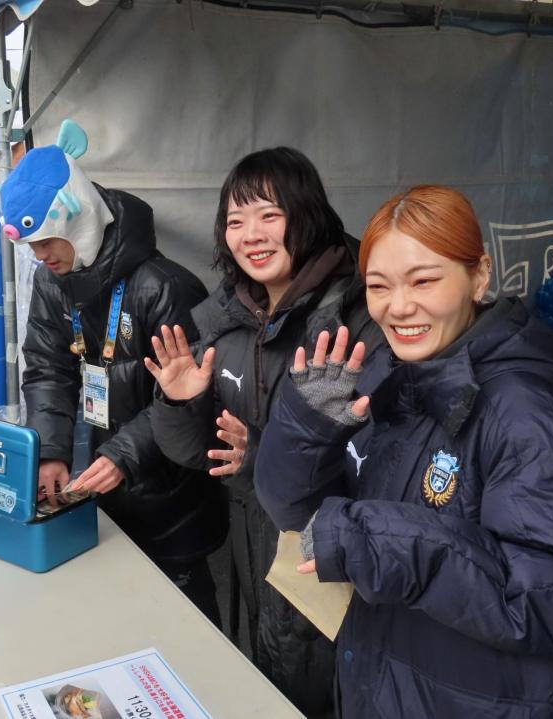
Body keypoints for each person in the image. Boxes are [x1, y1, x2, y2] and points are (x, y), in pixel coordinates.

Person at [255, 185, 553, 718]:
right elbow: (302, 520)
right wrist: (306, 429)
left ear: (480, 276)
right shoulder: (388, 376)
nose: (399, 306)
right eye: (378, 286)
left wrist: (380, 541)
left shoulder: (524, 412)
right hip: (389, 681)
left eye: (424, 280)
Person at [145, 147, 382, 716]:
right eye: (235, 220)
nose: (250, 234)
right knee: (269, 683)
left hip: (332, 563)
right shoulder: (224, 317)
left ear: (308, 215)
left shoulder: (358, 317)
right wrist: (180, 403)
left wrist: (265, 456)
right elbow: (201, 454)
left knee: (325, 695)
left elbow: (378, 461)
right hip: (254, 548)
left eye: (269, 215)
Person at [3, 120, 228, 624]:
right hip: (104, 480)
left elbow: (191, 400)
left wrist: (125, 454)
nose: (40, 256)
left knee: (186, 622)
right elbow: (47, 369)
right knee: (120, 618)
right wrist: (51, 450)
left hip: (172, 494)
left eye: (47, 241)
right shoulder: (53, 282)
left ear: (77, 218)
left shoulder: (165, 287)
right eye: (32, 246)